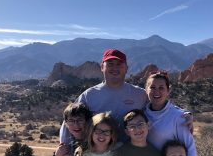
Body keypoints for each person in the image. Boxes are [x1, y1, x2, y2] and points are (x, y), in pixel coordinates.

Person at [59, 49, 193, 144]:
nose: (115, 68)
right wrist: (64, 148)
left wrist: (183, 113)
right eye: (110, 64)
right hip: (99, 155)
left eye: (119, 64)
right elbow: (69, 121)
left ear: (126, 68)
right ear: (102, 67)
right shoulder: (89, 95)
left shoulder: (138, 94)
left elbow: (159, 101)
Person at [144, 72, 197, 156]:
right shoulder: (142, 115)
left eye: (161, 88)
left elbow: (190, 148)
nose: (157, 91)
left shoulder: (178, 117)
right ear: (146, 90)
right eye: (152, 87)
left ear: (168, 91)